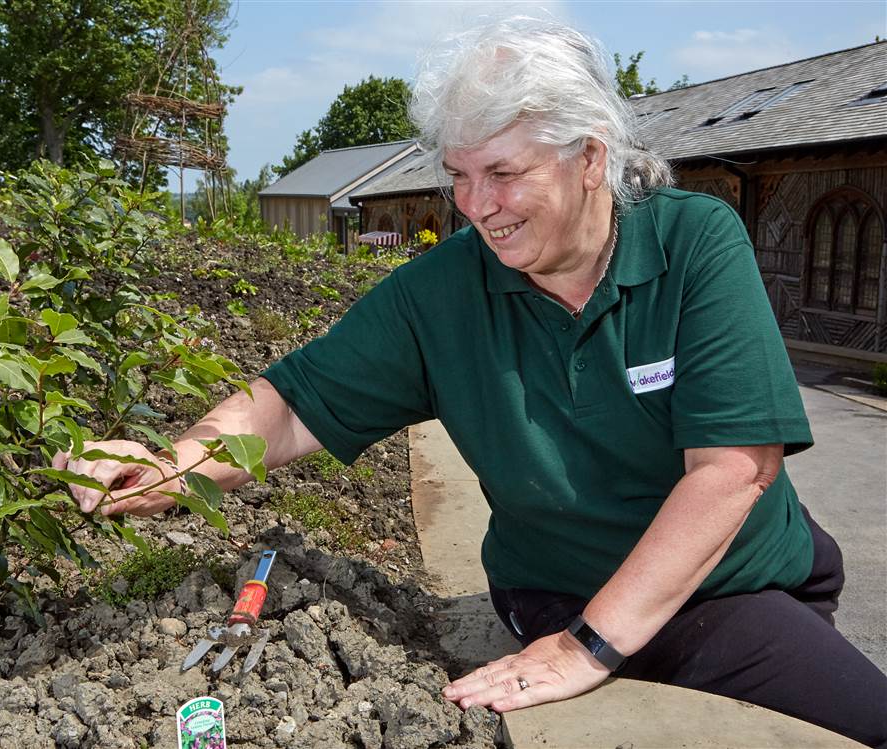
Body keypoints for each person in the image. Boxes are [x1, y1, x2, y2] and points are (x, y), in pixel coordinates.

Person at [54, 17, 887, 748]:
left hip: (748, 574)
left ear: (590, 156)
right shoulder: (442, 294)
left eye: (503, 172)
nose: (476, 205)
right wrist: (174, 467)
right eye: (458, 174)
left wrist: (586, 649)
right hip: (595, 591)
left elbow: (736, 468)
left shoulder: (694, 243)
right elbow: (290, 406)